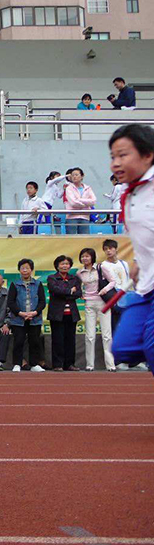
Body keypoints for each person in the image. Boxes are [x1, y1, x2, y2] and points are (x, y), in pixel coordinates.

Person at [108, 124, 153, 374]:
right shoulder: (129, 193)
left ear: (148, 155)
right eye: (113, 156)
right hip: (146, 286)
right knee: (124, 349)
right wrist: (138, 260)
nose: (115, 163)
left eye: (123, 155)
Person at [77, 247, 116, 372]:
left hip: (103, 302)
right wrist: (80, 294)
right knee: (89, 335)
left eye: (87, 256)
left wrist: (104, 290)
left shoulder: (100, 268)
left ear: (92, 257)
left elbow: (113, 281)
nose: (85, 258)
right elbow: (77, 287)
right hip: (89, 303)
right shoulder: (79, 272)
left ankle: (110, 365)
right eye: (83, 256)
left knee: (106, 334)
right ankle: (90, 365)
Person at [7, 258, 47, 372]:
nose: (25, 270)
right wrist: (20, 313)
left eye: (27, 268)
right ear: (19, 270)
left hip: (35, 318)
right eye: (22, 268)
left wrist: (34, 313)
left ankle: (34, 364)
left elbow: (42, 302)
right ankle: (17, 364)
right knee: (18, 341)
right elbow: (11, 302)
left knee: (34, 341)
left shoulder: (38, 284)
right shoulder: (15, 284)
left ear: (32, 270)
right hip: (18, 318)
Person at [47, 254, 82, 372]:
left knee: (70, 340)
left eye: (67, 264)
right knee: (57, 340)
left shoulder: (75, 279)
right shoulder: (52, 278)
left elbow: (78, 294)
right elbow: (55, 290)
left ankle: (70, 364)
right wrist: (69, 291)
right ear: (57, 266)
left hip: (71, 314)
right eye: (62, 264)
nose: (64, 266)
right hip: (57, 314)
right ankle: (57, 364)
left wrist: (67, 293)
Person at [99, 238, 132, 339]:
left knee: (127, 327)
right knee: (115, 326)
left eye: (110, 248)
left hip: (126, 296)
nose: (108, 251)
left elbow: (128, 280)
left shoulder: (124, 263)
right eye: (105, 249)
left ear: (116, 249)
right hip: (113, 297)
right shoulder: (103, 265)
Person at [63, 167, 96, 235]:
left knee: (84, 240)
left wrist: (79, 200)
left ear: (82, 176)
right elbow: (73, 203)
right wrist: (87, 204)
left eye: (76, 175)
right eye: (72, 175)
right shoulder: (69, 188)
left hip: (85, 217)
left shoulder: (88, 188)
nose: (74, 177)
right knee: (71, 240)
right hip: (72, 217)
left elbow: (93, 201)